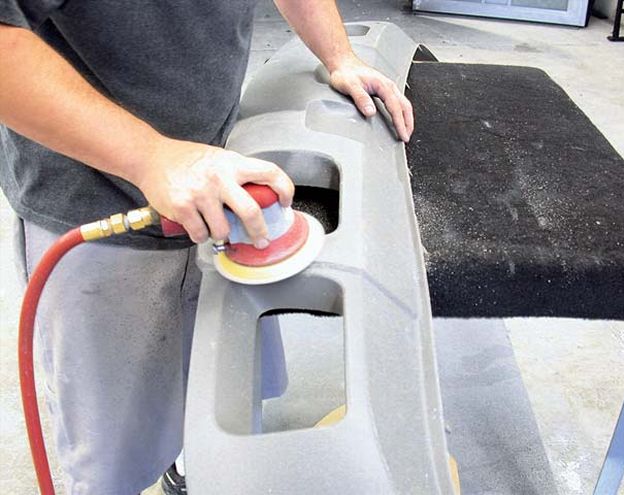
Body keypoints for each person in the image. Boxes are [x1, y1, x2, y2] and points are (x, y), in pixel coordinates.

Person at [0, 1, 414, 494]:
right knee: (113, 451)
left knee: (221, 379)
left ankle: (191, 460)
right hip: (96, 198)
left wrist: (338, 54)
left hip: (216, 172)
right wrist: (149, 156)